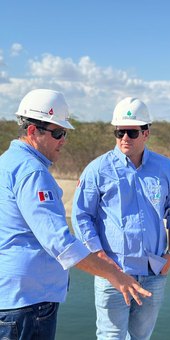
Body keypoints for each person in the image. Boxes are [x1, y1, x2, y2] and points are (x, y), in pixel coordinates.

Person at [0, 89, 151, 340]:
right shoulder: (32, 172)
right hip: (28, 302)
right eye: (58, 133)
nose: (63, 140)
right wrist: (114, 275)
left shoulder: (7, 162)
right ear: (31, 131)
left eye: (65, 133)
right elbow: (60, 243)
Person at [72, 97, 170, 340]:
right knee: (111, 336)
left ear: (146, 133)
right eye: (119, 132)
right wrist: (99, 256)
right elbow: (81, 215)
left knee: (140, 337)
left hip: (153, 273)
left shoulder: (165, 168)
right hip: (113, 273)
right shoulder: (97, 169)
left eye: (132, 132)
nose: (124, 137)